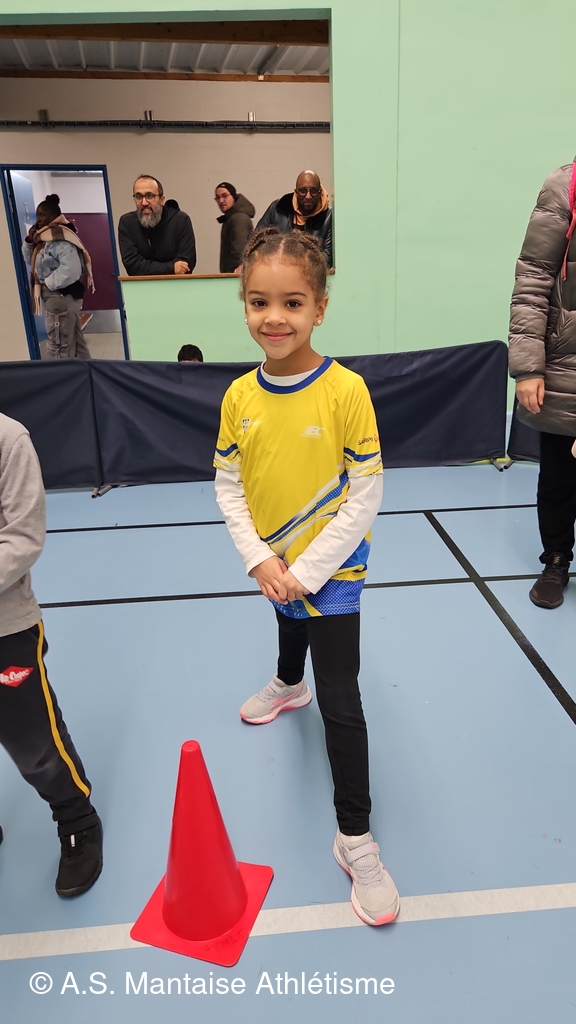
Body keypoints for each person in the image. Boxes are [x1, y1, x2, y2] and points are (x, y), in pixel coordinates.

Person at [213, 227, 399, 926]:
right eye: (259, 302)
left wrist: (308, 569)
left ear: (319, 306)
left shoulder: (346, 390)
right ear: (244, 305)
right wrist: (261, 559)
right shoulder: (238, 396)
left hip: (334, 569)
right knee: (287, 621)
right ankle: (288, 682)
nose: (275, 317)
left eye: (292, 302)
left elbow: (366, 492)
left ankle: (356, 836)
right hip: (275, 563)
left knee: (341, 700)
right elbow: (229, 486)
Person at [0, 412, 102, 897]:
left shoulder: (8, 438)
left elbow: (23, 537)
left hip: (5, 627)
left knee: (35, 745)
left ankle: (76, 819)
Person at [509, 159, 576, 609]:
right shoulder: (564, 185)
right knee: (559, 476)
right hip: (565, 363)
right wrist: (529, 367)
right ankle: (556, 559)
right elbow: (533, 277)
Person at [22, 194, 94, 360]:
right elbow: (32, 262)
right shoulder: (44, 239)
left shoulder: (60, 238)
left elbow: (71, 269)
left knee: (58, 346)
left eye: (42, 215)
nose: (39, 219)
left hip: (61, 297)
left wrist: (47, 284)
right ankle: (87, 373)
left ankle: (62, 377)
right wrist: (29, 241)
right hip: (58, 298)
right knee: (76, 344)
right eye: (37, 215)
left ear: (54, 216)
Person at [118, 175, 196, 277]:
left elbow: (186, 265)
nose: (144, 202)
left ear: (161, 199)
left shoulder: (181, 221)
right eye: (139, 196)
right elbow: (133, 266)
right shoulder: (127, 223)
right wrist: (171, 268)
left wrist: (148, 267)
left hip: (177, 285)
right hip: (142, 286)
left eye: (150, 196)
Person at [255, 170, 333, 268]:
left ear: (320, 192)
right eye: (303, 191)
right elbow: (255, 240)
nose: (308, 196)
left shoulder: (328, 216)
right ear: (296, 192)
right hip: (276, 270)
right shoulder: (278, 208)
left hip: (309, 273)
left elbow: (327, 257)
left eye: (313, 191)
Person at [214, 182, 255, 273]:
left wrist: (241, 265)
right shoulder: (231, 218)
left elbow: (241, 249)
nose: (221, 201)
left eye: (224, 196)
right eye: (218, 197)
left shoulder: (238, 218)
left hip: (236, 275)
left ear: (233, 197)